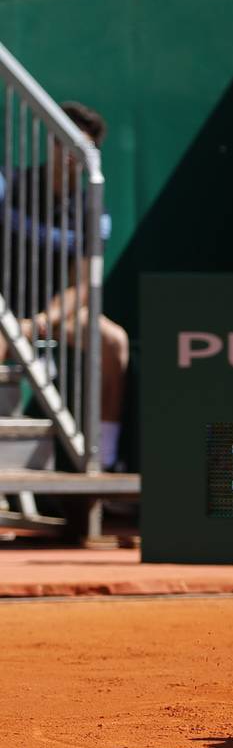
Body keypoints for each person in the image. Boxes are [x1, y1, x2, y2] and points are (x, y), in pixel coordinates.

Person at [0, 102, 131, 471]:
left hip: (53, 316)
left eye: (82, 148)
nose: (70, 153)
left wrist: (40, 322)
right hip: (4, 313)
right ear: (51, 143)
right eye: (64, 142)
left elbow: (84, 285)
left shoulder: (92, 208)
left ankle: (103, 462)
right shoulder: (10, 184)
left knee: (114, 342)